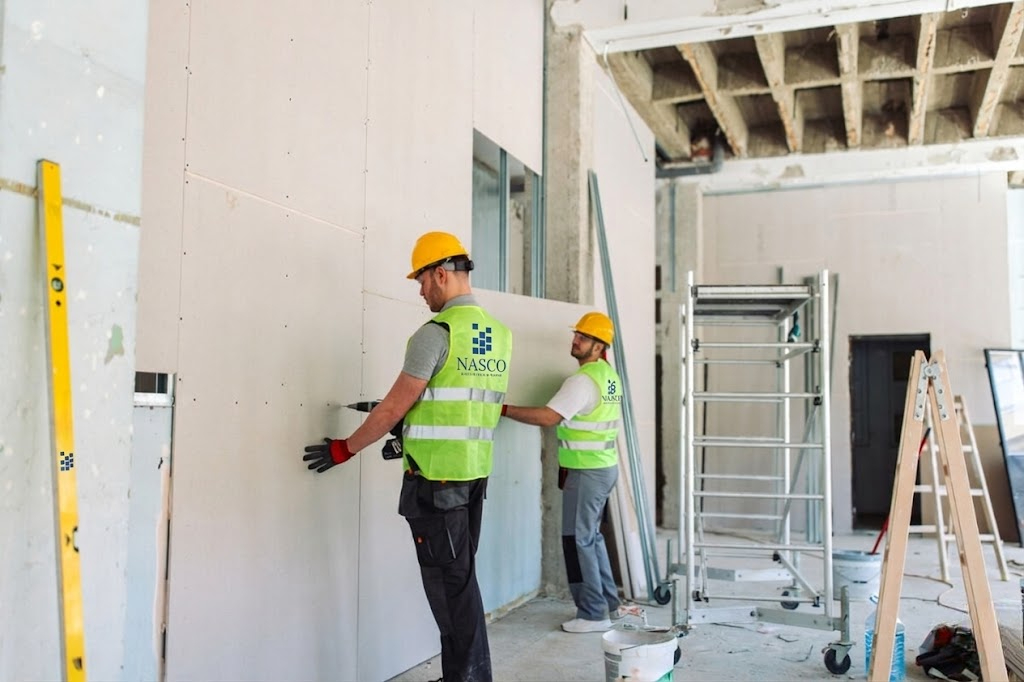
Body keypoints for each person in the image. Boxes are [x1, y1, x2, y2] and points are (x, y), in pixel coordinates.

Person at [302, 231, 512, 682]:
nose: (420, 292)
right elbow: (461, 403)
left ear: (441, 274)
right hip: (473, 477)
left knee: (451, 592)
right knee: (459, 585)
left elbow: (394, 407)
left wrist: (344, 449)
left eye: (421, 280)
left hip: (436, 483)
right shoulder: (499, 335)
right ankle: (461, 675)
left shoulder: (435, 334)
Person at [501, 312, 623, 633]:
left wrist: (503, 409)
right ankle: (609, 604)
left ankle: (593, 615)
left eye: (583, 337)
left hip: (587, 471)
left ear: (599, 346)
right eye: (576, 335)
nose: (575, 340)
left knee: (579, 540)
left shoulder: (582, 382)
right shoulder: (609, 376)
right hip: (601, 467)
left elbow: (548, 417)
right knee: (591, 538)